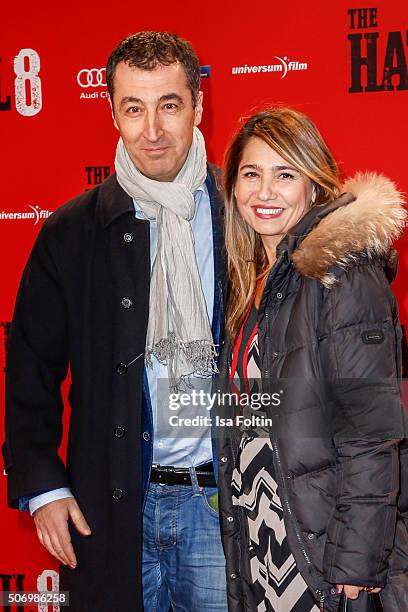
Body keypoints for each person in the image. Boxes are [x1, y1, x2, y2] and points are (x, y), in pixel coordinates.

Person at [3, 31, 228, 611]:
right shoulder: (72, 232)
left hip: (226, 507)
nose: (151, 130)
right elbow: (30, 365)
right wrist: (43, 486)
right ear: (112, 113)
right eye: (134, 108)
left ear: (198, 107)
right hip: (112, 506)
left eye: (169, 105)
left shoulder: (246, 215)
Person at [216, 107, 408, 612]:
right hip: (265, 538)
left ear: (314, 184)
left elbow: (370, 430)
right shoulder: (255, 282)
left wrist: (357, 561)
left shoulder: (342, 275)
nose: (265, 192)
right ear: (233, 186)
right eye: (251, 174)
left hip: (323, 554)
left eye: (285, 175)